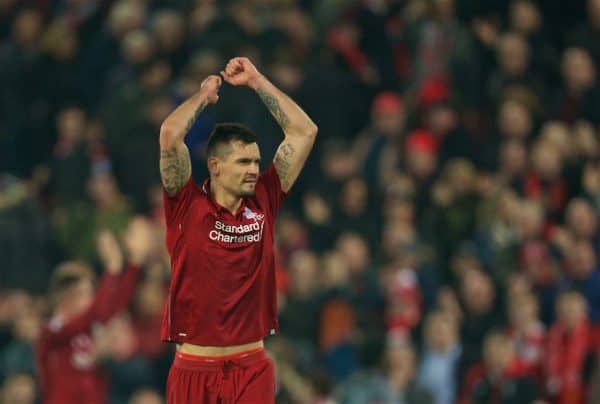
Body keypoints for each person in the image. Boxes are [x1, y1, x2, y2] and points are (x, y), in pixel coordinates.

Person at [158, 56, 317, 403]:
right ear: (214, 166)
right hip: (193, 369)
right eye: (243, 162)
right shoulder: (186, 205)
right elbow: (170, 135)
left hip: (251, 367)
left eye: (257, 161)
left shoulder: (265, 198)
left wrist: (258, 81)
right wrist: (204, 95)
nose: (253, 169)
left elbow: (304, 131)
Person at [35, 217, 153, 404]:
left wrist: (135, 263)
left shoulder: (88, 327)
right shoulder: (51, 332)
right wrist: (112, 270)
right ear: (63, 296)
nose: (89, 299)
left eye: (90, 293)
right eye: (82, 293)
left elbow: (116, 303)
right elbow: (97, 312)